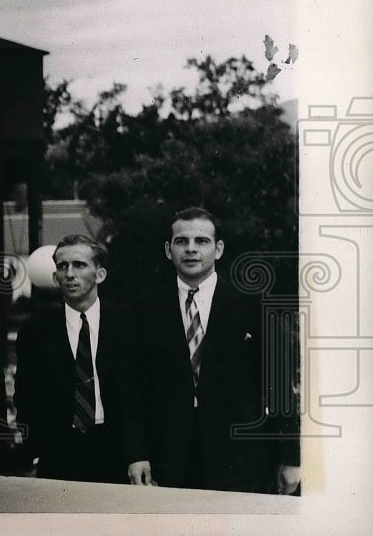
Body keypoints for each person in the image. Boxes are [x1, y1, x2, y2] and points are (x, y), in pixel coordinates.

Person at [125, 207, 301, 493]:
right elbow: (132, 388)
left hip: (240, 460)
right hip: (169, 458)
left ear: (218, 249)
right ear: (169, 250)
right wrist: (136, 453)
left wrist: (291, 457)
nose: (191, 249)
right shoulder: (145, 308)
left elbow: (279, 384)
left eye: (201, 241)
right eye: (182, 241)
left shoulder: (251, 304)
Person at [13, 235, 134, 484]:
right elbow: (26, 395)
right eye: (62, 266)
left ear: (99, 274)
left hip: (116, 449)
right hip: (58, 453)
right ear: (55, 277)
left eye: (79, 265)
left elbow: (140, 394)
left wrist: (139, 453)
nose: (69, 274)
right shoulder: (35, 331)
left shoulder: (127, 324)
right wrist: (36, 447)